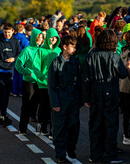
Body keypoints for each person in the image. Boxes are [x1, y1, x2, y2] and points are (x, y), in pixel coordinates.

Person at [83, 29, 128, 164]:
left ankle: (95, 154)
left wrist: (86, 98)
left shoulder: (90, 56)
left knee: (96, 123)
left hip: (95, 91)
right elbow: (123, 74)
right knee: (111, 123)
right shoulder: (114, 57)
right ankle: (110, 154)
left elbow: (85, 79)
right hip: (111, 91)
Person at [49, 35, 82, 163]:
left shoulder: (75, 62)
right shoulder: (56, 63)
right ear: (64, 47)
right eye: (72, 46)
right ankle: (60, 155)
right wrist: (55, 103)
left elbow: (79, 82)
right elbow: (51, 85)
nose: (74, 49)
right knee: (59, 128)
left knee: (74, 126)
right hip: (61, 101)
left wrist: (80, 100)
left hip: (73, 100)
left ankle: (70, 148)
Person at [0, 22, 21, 127]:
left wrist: (13, 59)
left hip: (9, 71)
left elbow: (19, 53)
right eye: (5, 32)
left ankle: (4, 113)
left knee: (6, 94)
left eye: (9, 32)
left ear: (13, 32)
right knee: (1, 93)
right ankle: (3, 115)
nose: (7, 34)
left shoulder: (15, 42)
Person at [15, 28, 46, 135]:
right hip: (29, 82)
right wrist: (27, 72)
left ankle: (41, 126)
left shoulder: (43, 49)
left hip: (41, 82)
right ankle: (22, 128)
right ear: (34, 38)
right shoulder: (27, 50)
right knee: (27, 105)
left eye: (42, 37)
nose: (40, 39)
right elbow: (18, 64)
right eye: (38, 37)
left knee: (42, 105)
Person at [12, 23, 30, 97]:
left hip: (15, 57)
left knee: (15, 75)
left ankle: (15, 91)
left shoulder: (14, 37)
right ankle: (21, 91)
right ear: (23, 30)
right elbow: (26, 48)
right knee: (21, 75)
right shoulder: (23, 38)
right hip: (22, 58)